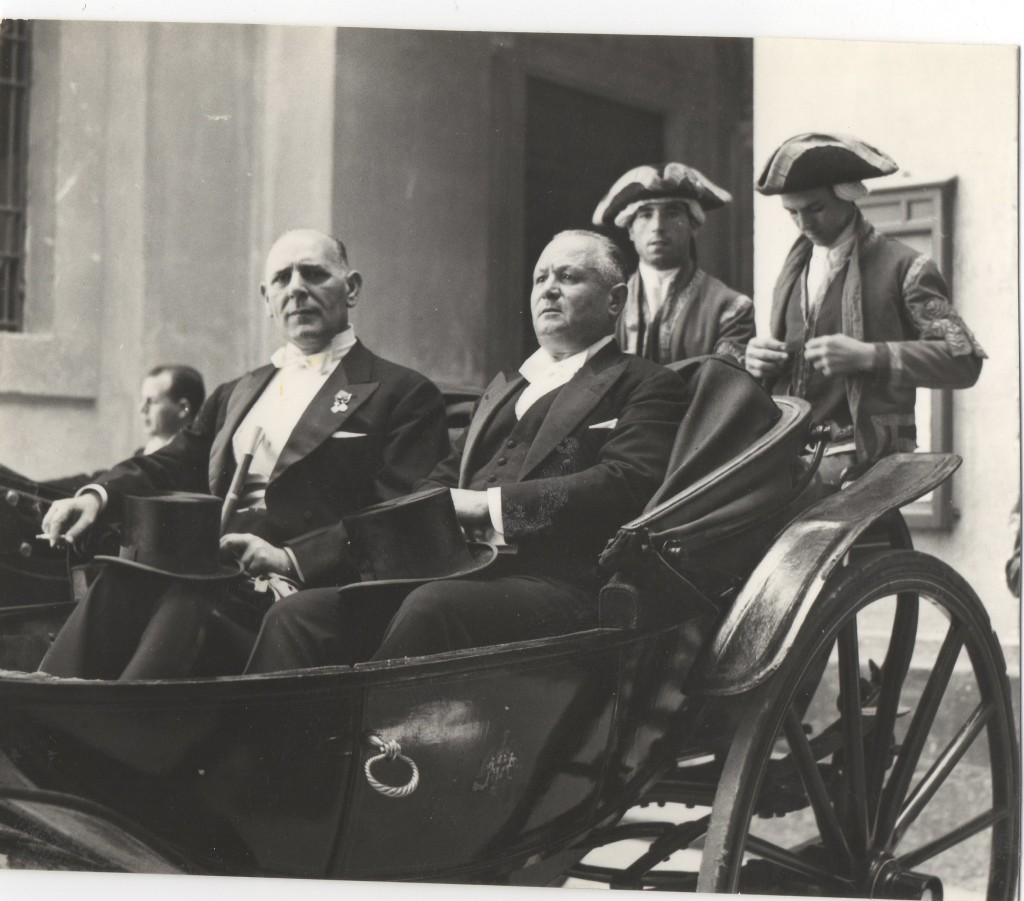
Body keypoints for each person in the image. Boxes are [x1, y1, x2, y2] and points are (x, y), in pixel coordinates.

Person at [244, 229, 691, 672]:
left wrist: (489, 507)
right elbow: (437, 484)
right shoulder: (504, 391)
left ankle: (364, 743)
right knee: (300, 615)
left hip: (561, 583)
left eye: (569, 277)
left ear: (615, 300)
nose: (548, 290)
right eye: (540, 279)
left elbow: (623, 485)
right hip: (461, 574)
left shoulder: (646, 383)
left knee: (431, 606)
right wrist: (301, 559)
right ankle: (273, 746)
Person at [37, 228, 449, 679]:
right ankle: (44, 709)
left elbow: (399, 519)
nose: (296, 288)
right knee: (123, 575)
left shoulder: (403, 394)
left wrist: (289, 557)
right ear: (266, 298)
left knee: (185, 599)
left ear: (350, 288)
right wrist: (94, 496)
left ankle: (123, 730)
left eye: (313, 273)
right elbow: (169, 464)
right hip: (215, 567)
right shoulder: (238, 392)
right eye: (282, 279)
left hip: (304, 584)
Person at [745, 133, 986, 485]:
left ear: (849, 195)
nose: (804, 224)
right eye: (792, 213)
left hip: (861, 460)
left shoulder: (906, 267)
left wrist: (870, 356)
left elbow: (964, 361)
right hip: (787, 450)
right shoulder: (793, 269)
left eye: (815, 208)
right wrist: (756, 360)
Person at [592, 162, 754, 365]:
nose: (658, 226)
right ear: (630, 229)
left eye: (672, 213)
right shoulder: (604, 305)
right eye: (645, 214)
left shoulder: (730, 308)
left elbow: (723, 386)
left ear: (693, 225)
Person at [138, 364, 206, 455]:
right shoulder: (141, 456)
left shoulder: (198, 459)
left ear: (183, 408)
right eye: (143, 400)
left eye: (152, 401)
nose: (142, 409)